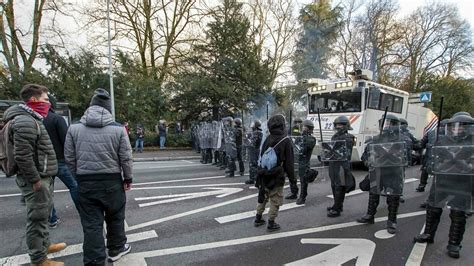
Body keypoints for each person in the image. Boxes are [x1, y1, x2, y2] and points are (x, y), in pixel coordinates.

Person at [64, 89, 133, 265]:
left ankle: (94, 260)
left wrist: (78, 177)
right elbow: (125, 157)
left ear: (91, 106)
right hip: (112, 181)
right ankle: (116, 248)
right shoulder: (118, 129)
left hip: (86, 181)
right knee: (116, 216)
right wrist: (128, 178)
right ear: (108, 109)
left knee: (92, 224)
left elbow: (69, 158)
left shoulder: (74, 128)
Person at [2, 84, 65, 266]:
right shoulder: (25, 121)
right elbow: (23, 155)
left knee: (43, 214)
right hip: (37, 178)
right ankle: (39, 259)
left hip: (43, 175)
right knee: (37, 218)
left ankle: (45, 246)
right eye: (45, 99)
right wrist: (35, 180)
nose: (48, 103)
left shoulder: (32, 118)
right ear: (34, 100)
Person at [413, 114, 473, 259]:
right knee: (433, 208)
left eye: (461, 127)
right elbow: (434, 159)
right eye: (454, 127)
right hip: (442, 180)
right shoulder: (443, 140)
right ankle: (428, 233)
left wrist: (460, 163)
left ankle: (453, 243)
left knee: (458, 214)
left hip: (462, 183)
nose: (457, 130)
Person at [356, 114, 408, 234]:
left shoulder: (402, 140)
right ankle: (370, 215)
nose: (387, 126)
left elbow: (407, 156)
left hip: (394, 173)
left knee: (393, 198)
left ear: (396, 125)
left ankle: (392, 221)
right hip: (378, 172)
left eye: (390, 123)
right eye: (385, 123)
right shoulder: (376, 139)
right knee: (374, 194)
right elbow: (366, 154)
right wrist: (367, 161)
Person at [254, 114, 295, 231]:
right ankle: (271, 222)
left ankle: (258, 217)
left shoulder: (268, 137)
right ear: (282, 125)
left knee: (263, 195)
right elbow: (289, 163)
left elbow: (261, 155)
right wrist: (293, 180)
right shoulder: (285, 140)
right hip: (276, 175)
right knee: (275, 199)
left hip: (264, 173)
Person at [43, 94, 78, 228]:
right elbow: (67, 141)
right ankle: (84, 212)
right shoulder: (57, 119)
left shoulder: (37, 120)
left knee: (48, 192)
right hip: (61, 160)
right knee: (74, 186)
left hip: (45, 163)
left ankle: (52, 219)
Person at [326, 116, 355, 216]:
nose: (338, 126)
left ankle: (337, 208)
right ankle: (337, 204)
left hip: (342, 165)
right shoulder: (335, 136)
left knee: (339, 186)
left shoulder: (348, 137)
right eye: (337, 125)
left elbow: (344, 152)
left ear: (346, 126)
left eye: (341, 125)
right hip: (333, 164)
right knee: (334, 185)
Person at [295, 119, 317, 205]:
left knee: (303, 180)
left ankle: (303, 196)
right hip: (298, 160)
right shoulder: (301, 137)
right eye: (303, 126)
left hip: (305, 161)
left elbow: (304, 148)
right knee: (299, 178)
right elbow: (295, 146)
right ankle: (296, 193)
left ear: (309, 128)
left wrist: (302, 137)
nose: (303, 128)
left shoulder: (311, 139)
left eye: (305, 127)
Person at [245, 120, 263, 185]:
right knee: (253, 164)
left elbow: (253, 143)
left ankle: (253, 179)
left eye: (253, 125)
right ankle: (254, 178)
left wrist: (247, 139)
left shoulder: (257, 132)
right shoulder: (257, 132)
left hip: (254, 150)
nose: (252, 126)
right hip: (255, 150)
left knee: (253, 164)